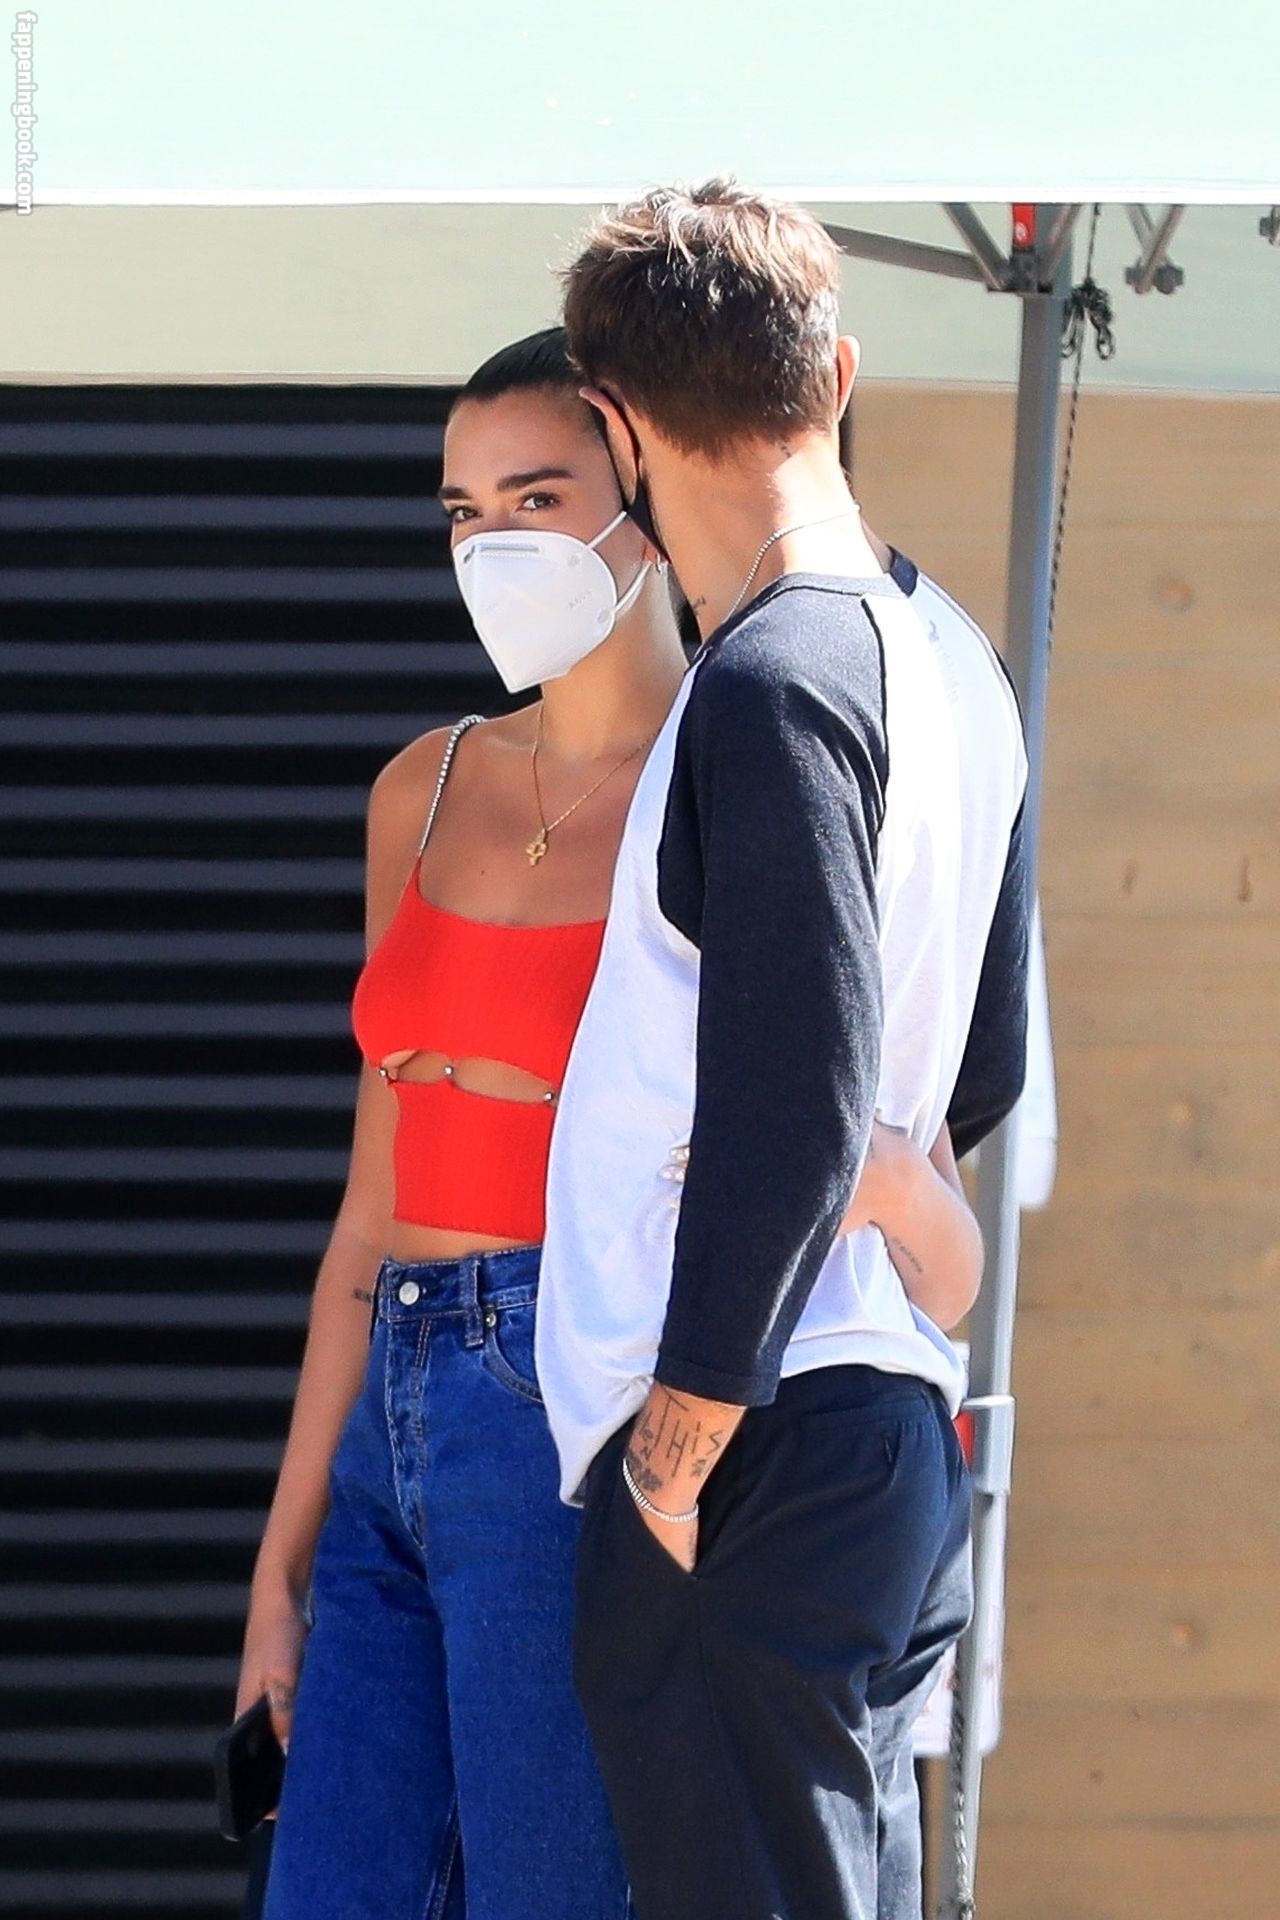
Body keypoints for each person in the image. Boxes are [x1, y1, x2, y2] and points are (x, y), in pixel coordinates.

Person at [237, 327, 988, 1920]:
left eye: (536, 498)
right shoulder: (421, 788)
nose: (491, 547)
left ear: (636, 483)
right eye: (462, 512)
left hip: (566, 1382)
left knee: (552, 1892)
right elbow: (367, 1216)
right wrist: (277, 1567)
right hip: (396, 1397)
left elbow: (839, 1105)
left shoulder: (730, 758)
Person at [537, 184, 1029, 1920]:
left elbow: (802, 1090)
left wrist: (674, 1453)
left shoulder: (768, 675)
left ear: (615, 422)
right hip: (871, 1431)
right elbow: (972, 1079)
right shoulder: (956, 660)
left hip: (759, 1441)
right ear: (838, 373)